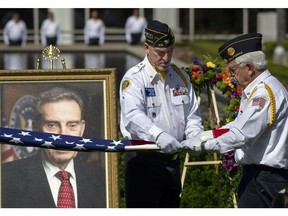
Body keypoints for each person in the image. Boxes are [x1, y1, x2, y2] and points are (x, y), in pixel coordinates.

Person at [181, 33, 288, 208]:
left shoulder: (262, 94)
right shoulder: (261, 88)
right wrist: (207, 135)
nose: (231, 76)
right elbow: (238, 125)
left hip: (263, 179)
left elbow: (241, 135)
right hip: (263, 177)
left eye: (233, 70)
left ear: (250, 68)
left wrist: (202, 146)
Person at [119, 20, 203, 208]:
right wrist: (158, 135)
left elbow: (192, 115)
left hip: (172, 160)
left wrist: (194, 136)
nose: (166, 58)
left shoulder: (181, 77)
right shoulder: (134, 78)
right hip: (144, 161)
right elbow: (133, 116)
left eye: (170, 51)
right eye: (160, 52)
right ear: (146, 48)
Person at [1, 87, 106, 208]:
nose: (63, 135)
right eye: (52, 125)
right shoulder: (6, 177)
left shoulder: (101, 179)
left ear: (81, 130)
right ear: (36, 129)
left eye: (72, 125)